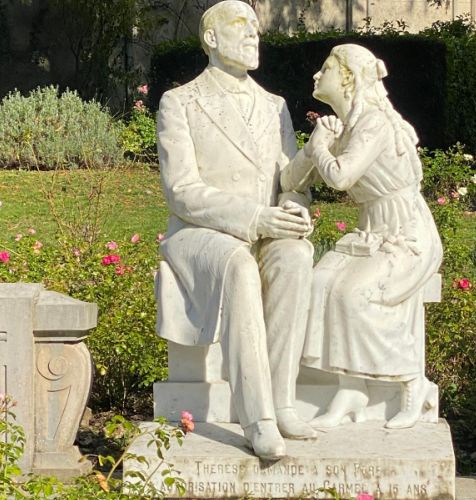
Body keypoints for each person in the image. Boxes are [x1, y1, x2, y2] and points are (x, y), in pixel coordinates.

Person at [155, 0, 317, 460]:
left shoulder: (274, 106)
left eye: (256, 28)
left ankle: (282, 402)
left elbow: (290, 181)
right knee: (240, 266)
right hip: (201, 233)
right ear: (211, 38)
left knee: (295, 256)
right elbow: (182, 191)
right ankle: (258, 418)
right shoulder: (180, 102)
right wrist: (255, 217)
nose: (253, 35)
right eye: (241, 25)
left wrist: (294, 209)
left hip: (264, 229)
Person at [282, 44, 443, 429]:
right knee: (319, 283)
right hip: (370, 231)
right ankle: (351, 389)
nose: (317, 75)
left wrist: (321, 148)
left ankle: (411, 382)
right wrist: (313, 146)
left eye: (326, 69)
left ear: (348, 79)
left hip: (406, 233)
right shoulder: (345, 127)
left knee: (355, 295)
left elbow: (340, 177)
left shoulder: (374, 123)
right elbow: (290, 180)